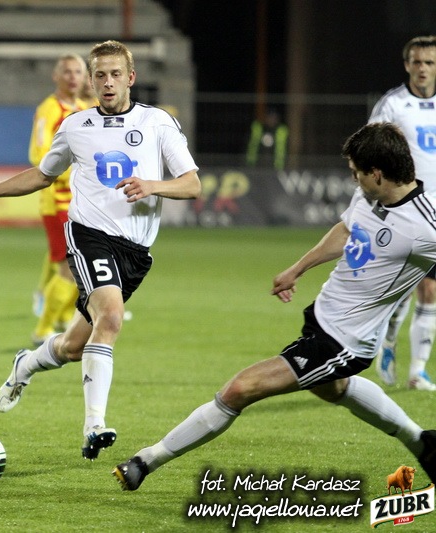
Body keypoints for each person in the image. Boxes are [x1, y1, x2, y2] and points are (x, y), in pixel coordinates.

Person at [112, 122, 436, 492]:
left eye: (356, 173)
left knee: (240, 388)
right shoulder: (370, 196)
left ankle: (146, 461)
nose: (353, 180)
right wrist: (298, 268)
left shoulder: (426, 227)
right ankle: (423, 443)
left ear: (377, 174)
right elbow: (347, 230)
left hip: (344, 343)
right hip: (322, 320)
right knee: (333, 389)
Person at [0, 40, 201, 460]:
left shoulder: (157, 123)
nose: (108, 82)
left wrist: (153, 185)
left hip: (136, 251)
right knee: (111, 317)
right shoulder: (75, 126)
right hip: (88, 235)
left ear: (131, 78)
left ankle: (25, 365)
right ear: (91, 80)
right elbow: (41, 175)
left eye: (116, 74)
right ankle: (94, 426)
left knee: (72, 347)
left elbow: (191, 184)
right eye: (100, 75)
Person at [371, 36, 436, 391]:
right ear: (407, 64)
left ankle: (418, 372)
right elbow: (370, 149)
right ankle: (389, 338)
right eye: (417, 62)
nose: (423, 68)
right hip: (406, 209)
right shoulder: (393, 105)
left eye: (429, 62)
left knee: (430, 289)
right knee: (403, 288)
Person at [29, 53, 90, 345]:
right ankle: (43, 329)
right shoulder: (49, 109)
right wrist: (71, 171)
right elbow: (38, 154)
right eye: (67, 71)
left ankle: (64, 316)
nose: (73, 77)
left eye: (78, 71)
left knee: (82, 263)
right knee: (70, 266)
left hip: (82, 202)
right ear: (56, 76)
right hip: (57, 201)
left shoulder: (84, 109)